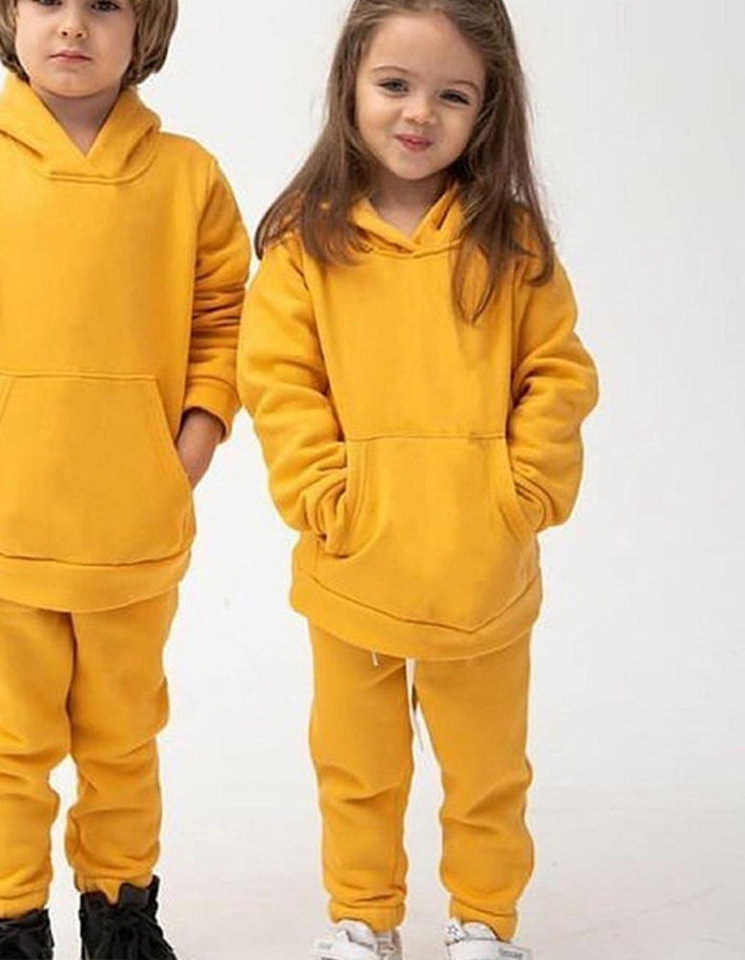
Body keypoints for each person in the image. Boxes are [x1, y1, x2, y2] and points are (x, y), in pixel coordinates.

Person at [238, 1, 599, 957]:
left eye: (453, 95)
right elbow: (278, 384)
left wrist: (523, 493)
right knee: (356, 766)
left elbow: (557, 373)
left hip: (483, 567)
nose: (418, 114)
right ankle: (363, 918)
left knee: (487, 769)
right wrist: (326, 499)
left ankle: (483, 921)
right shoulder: (304, 246)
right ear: (349, 84)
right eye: (394, 85)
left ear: (490, 109)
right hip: (351, 563)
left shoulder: (512, 243)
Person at [0, 1, 249, 956]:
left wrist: (181, 465)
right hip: (4, 533)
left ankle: (121, 918)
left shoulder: (190, 178)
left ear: (147, 26)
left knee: (123, 741)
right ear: (9, 15)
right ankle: (10, 923)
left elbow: (224, 327)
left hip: (137, 533)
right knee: (9, 745)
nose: (73, 25)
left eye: (105, 4)